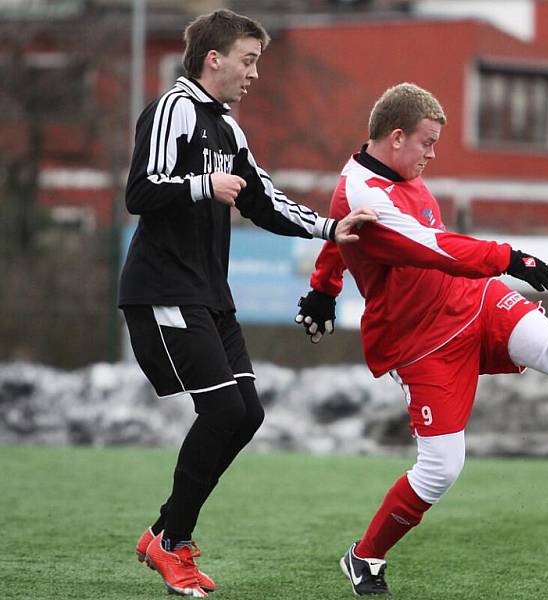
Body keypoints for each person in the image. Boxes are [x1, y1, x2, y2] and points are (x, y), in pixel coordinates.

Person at [295, 82, 548, 596]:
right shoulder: (365, 193)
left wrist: (323, 288)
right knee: (442, 469)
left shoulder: (392, 176)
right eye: (427, 142)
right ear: (395, 138)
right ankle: (364, 557)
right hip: (422, 345)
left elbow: (339, 231)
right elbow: (427, 243)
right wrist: (509, 258)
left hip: (474, 301)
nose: (432, 153)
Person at [119, 9, 377, 598]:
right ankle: (172, 541)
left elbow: (262, 199)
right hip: (163, 291)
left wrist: (329, 229)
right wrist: (202, 186)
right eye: (249, 59)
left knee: (247, 413)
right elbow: (139, 190)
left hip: (209, 295)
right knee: (223, 413)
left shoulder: (227, 128)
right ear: (215, 58)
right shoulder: (174, 108)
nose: (254, 73)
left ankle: (164, 530)